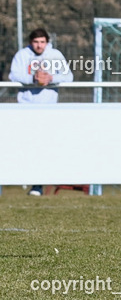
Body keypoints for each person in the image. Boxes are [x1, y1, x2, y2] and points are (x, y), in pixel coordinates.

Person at [9, 27, 74, 196]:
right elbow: (13, 75)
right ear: (31, 42)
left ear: (47, 42)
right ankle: (13, 179)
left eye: (42, 42)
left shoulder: (55, 55)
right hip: (25, 109)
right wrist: (33, 79)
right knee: (23, 146)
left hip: (48, 109)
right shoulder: (22, 55)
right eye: (36, 42)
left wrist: (51, 78)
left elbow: (68, 76)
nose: (39, 46)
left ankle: (38, 184)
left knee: (44, 147)